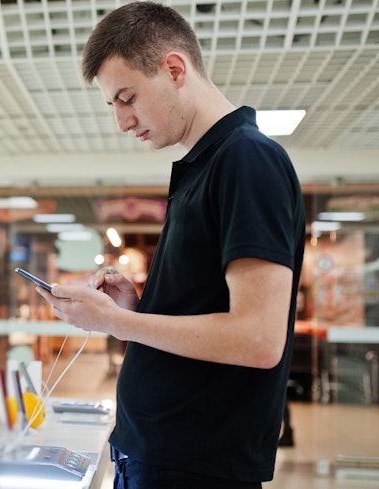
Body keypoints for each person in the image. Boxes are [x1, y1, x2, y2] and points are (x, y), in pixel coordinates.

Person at [33, 2, 306, 488]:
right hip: (160, 456)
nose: (121, 121)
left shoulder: (246, 161)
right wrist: (139, 307)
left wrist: (117, 321)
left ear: (174, 69)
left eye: (127, 97)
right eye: (112, 105)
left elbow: (258, 338)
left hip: (192, 467)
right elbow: (209, 312)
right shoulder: (202, 169)